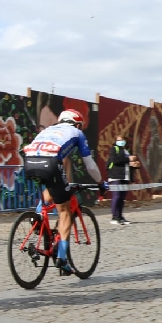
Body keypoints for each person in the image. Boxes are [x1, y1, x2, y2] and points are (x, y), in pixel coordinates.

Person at [22, 109, 105, 275]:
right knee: (65, 211)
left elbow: (61, 159)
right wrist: (101, 183)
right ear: (77, 123)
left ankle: (38, 218)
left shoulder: (48, 130)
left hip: (29, 161)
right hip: (50, 163)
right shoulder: (77, 133)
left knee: (49, 190)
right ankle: (62, 259)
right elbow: (90, 166)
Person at [107, 134, 141, 224]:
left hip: (125, 177)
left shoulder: (127, 150)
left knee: (122, 198)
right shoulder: (114, 149)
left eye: (122, 140)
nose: (121, 141)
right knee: (117, 196)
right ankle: (114, 217)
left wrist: (135, 166)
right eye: (119, 140)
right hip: (116, 176)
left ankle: (120, 216)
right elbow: (115, 160)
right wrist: (128, 158)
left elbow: (128, 165)